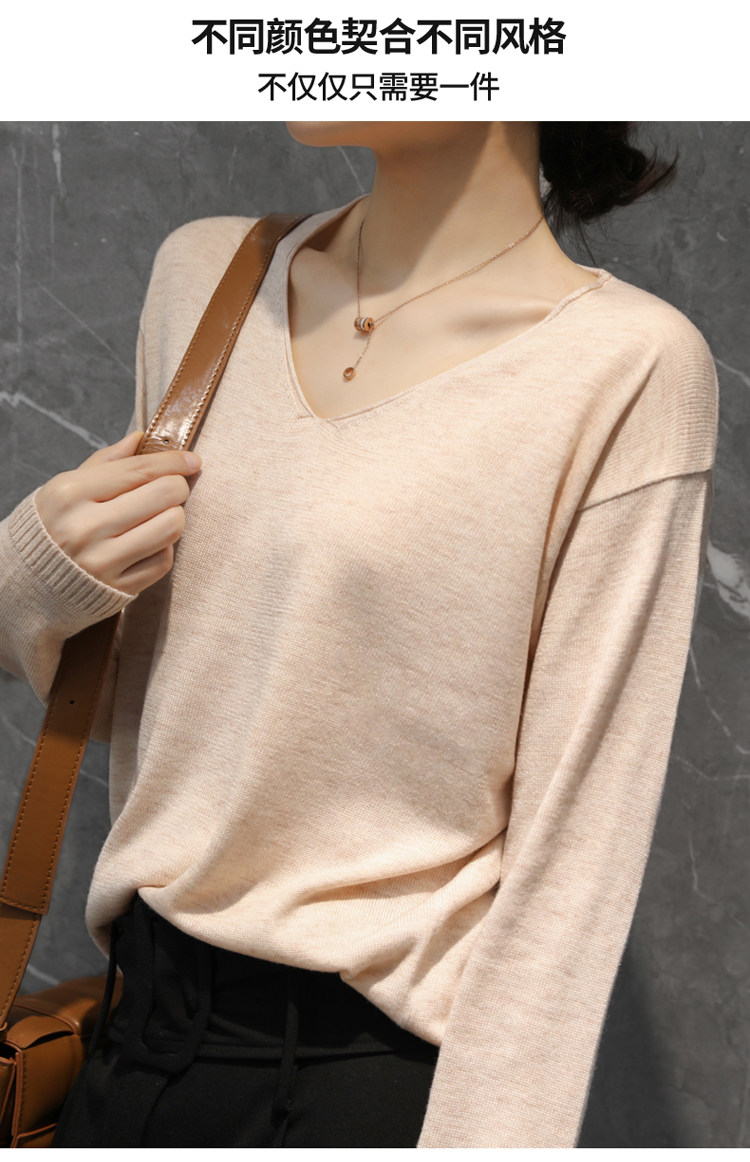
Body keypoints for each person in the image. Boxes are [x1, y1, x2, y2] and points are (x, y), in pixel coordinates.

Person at [0, 122, 718, 1148]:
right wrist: (34, 566)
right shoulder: (208, 279)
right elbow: (163, 703)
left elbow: (573, 867)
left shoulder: (624, 367)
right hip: (134, 1044)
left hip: (365, 1087)